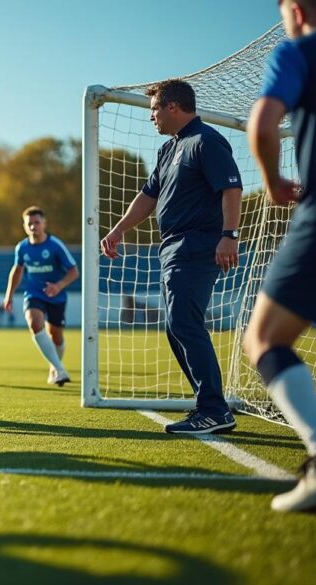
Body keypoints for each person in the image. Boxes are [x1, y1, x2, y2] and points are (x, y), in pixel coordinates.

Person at [101, 79, 243, 434]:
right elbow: (147, 198)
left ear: (173, 107)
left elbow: (232, 187)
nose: (151, 117)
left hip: (198, 245)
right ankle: (208, 406)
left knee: (184, 323)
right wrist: (119, 229)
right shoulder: (168, 150)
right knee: (174, 327)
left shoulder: (206, 141)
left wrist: (229, 235)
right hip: (172, 248)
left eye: (154, 110)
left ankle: (214, 409)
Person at [242, 0, 316, 512]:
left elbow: (264, 125)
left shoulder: (299, 52)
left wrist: (271, 183)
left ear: (293, 8)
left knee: (265, 338)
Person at [3, 207, 78, 386]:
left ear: (44, 223)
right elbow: (18, 270)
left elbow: (74, 271)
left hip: (56, 296)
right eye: (29, 223)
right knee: (34, 323)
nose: (33, 226)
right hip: (34, 294)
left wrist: (58, 286)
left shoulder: (55, 245)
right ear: (24, 226)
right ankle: (60, 370)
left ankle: (55, 368)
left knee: (56, 337)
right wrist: (9, 295)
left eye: (36, 222)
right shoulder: (22, 247)